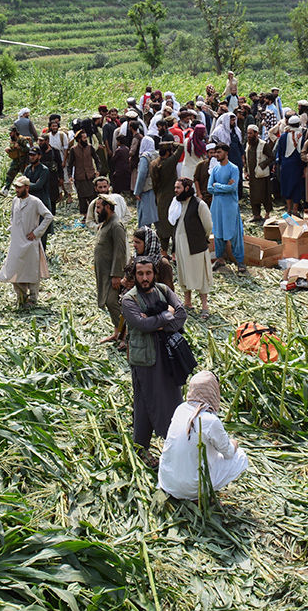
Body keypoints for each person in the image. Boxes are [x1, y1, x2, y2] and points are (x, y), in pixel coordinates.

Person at [122, 258, 188, 467]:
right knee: (144, 402)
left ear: (154, 274)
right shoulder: (129, 300)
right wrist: (166, 316)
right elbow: (141, 324)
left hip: (167, 356)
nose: (144, 278)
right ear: (134, 275)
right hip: (145, 360)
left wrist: (159, 323)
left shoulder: (163, 291)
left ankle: (175, 445)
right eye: (140, 274)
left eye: (148, 273)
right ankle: (141, 448)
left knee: (173, 398)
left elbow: (182, 314)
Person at [157, 370, 250, 501]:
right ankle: (199, 495)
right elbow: (228, 452)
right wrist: (234, 442)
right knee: (240, 457)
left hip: (166, 481)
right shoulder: (209, 420)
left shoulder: (181, 409)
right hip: (191, 487)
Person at [0, 176, 52, 309]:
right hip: (16, 241)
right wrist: (13, 228)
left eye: (19, 187)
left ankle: (33, 297)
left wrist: (37, 232)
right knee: (15, 267)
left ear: (27, 188)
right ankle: (21, 295)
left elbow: (48, 216)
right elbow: (13, 216)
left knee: (31, 269)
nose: (16, 189)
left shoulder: (35, 201)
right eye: (16, 187)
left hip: (30, 242)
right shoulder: (15, 201)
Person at [168, 178, 212, 318]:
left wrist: (200, 238)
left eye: (178, 188)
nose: (175, 190)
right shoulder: (177, 203)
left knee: (200, 274)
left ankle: (204, 305)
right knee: (184, 272)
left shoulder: (199, 204)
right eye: (175, 187)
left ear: (187, 188)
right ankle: (187, 302)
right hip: (181, 246)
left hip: (196, 245)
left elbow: (208, 225)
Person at [93, 196, 129, 342]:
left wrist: (116, 275)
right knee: (109, 302)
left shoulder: (116, 225)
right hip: (104, 272)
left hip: (112, 273)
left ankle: (125, 334)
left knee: (111, 302)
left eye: (99, 207)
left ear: (108, 208)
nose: (96, 211)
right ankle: (117, 332)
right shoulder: (106, 223)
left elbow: (120, 252)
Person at [207, 142, 245, 273]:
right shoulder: (215, 169)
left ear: (226, 153)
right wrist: (223, 187)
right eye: (215, 152)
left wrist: (218, 186)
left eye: (219, 152)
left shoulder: (233, 168)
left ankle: (240, 261)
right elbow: (209, 188)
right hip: (217, 206)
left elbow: (232, 188)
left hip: (230, 206)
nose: (216, 155)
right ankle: (220, 258)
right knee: (218, 233)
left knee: (234, 233)